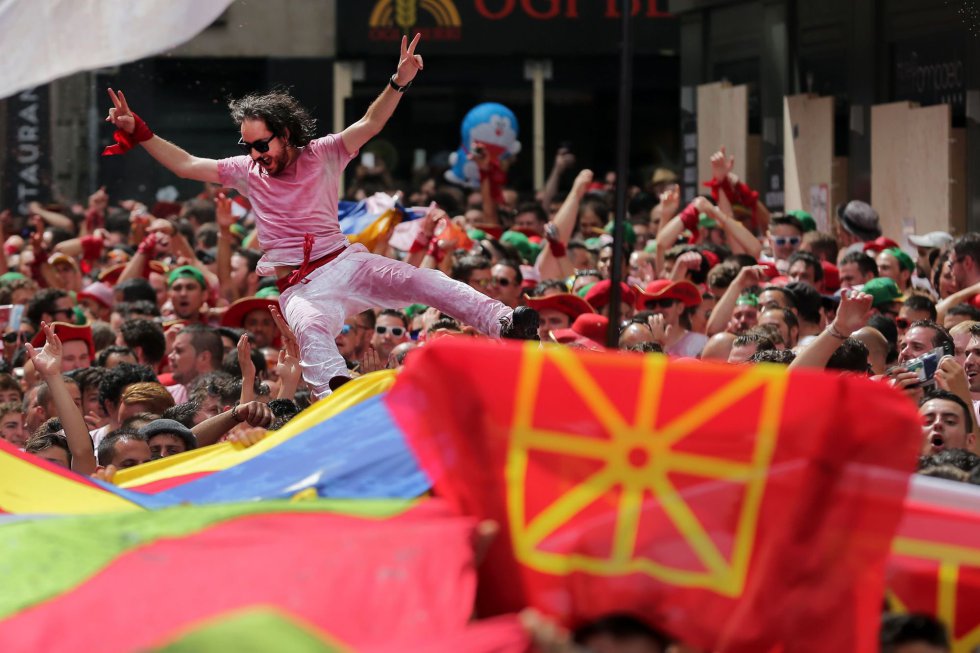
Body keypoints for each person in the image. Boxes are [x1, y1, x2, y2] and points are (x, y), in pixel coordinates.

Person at [104, 35, 536, 399]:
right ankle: (338, 399)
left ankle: (503, 321)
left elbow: (369, 122)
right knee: (311, 329)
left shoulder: (324, 154)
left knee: (424, 281)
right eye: (248, 145)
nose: (255, 154)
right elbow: (185, 164)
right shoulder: (246, 171)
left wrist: (398, 82)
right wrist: (139, 130)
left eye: (261, 144)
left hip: (345, 261)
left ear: (285, 133)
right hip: (302, 287)